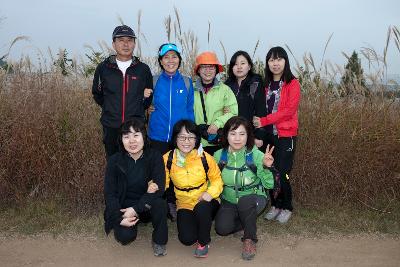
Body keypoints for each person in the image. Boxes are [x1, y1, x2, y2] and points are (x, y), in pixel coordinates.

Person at [103, 119, 168, 256]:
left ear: (144, 136)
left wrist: (135, 209)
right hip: (124, 207)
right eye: (126, 136)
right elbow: (110, 194)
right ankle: (129, 222)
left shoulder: (154, 156)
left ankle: (159, 241)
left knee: (160, 204)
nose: (132, 141)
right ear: (121, 140)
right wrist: (119, 218)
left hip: (146, 204)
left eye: (136, 135)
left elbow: (159, 188)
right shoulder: (115, 161)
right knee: (124, 237)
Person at [213, 116, 274, 261]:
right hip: (229, 199)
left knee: (245, 202)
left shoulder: (257, 155)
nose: (237, 138)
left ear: (248, 136)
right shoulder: (218, 156)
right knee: (221, 229)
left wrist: (266, 167)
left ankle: (249, 239)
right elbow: (213, 181)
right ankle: (245, 224)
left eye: (242, 134)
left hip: (254, 197)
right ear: (226, 135)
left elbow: (269, 185)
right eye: (233, 134)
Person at [253, 46, 301, 224]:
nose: (275, 63)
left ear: (285, 61)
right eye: (272, 60)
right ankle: (275, 204)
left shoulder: (293, 83)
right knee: (269, 170)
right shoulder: (264, 84)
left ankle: (287, 206)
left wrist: (264, 120)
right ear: (267, 63)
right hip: (268, 136)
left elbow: (289, 111)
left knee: (283, 172)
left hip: (285, 135)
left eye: (279, 59)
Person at [148, 43, 195, 221]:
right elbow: (145, 105)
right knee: (160, 171)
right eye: (166, 57)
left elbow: (190, 110)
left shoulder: (187, 82)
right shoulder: (153, 81)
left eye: (174, 57)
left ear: (179, 60)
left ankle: (176, 202)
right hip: (157, 136)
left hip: (180, 138)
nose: (170, 60)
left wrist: (191, 135)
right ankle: (161, 205)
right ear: (160, 61)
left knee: (178, 170)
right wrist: (147, 109)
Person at [163, 120, 223, 258]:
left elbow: (217, 179)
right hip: (184, 203)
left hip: (206, 200)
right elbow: (162, 182)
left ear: (196, 139)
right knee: (187, 239)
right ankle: (201, 223)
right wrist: (153, 186)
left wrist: (209, 193)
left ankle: (204, 242)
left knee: (202, 208)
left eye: (191, 137)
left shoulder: (204, 157)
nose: (186, 141)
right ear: (175, 138)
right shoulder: (168, 158)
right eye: (182, 137)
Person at [92, 25, 153, 158]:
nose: (126, 44)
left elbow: (148, 96)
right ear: (113, 44)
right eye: (121, 40)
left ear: (134, 44)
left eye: (129, 40)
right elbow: (97, 94)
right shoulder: (103, 68)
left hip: (135, 127)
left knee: (136, 164)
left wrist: (138, 109)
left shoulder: (143, 69)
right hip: (111, 126)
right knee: (114, 162)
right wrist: (110, 108)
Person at [193, 51, 238, 155]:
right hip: (195, 142)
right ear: (198, 70)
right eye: (204, 67)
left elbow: (233, 112)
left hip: (218, 142)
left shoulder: (225, 90)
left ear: (216, 70)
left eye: (211, 67)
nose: (208, 70)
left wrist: (217, 124)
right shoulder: (191, 89)